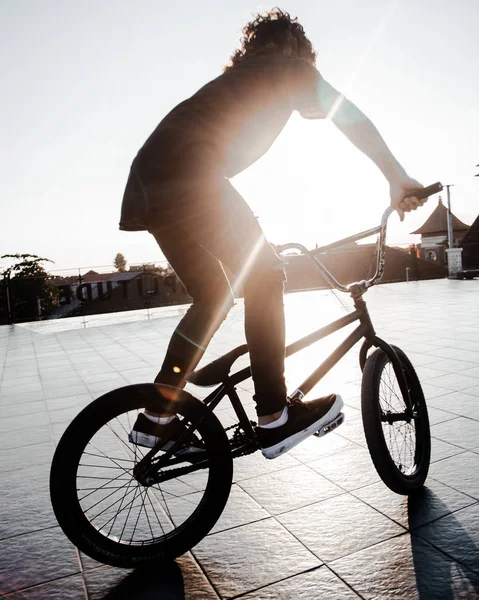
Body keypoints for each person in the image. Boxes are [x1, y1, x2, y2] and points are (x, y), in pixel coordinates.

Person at [120, 9, 426, 459]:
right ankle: (273, 418)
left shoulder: (245, 80)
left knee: (214, 296)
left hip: (148, 181)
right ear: (293, 50)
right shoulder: (287, 66)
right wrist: (395, 176)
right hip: (189, 174)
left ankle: (157, 417)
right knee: (265, 274)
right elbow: (346, 113)